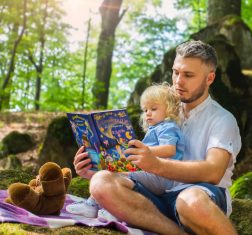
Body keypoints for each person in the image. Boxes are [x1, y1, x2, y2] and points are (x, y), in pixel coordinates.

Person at [73, 40, 241, 235]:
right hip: (156, 196)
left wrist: (155, 164)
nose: (178, 81)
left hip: (200, 196)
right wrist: (95, 166)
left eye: (188, 75)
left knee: (190, 201)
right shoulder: (163, 110)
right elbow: (141, 164)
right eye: (176, 72)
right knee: (101, 182)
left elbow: (213, 172)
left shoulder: (222, 119)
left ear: (209, 78)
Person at [67, 83, 185, 217]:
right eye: (145, 110)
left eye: (153, 108)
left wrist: (143, 150)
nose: (148, 113)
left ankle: (101, 207)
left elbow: (170, 150)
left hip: (161, 177)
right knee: (113, 172)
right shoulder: (157, 128)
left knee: (117, 175)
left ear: (169, 109)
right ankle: (101, 205)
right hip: (153, 174)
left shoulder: (168, 127)